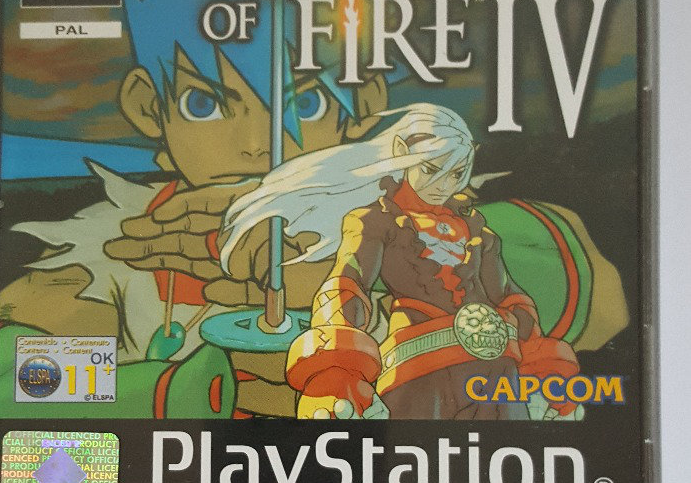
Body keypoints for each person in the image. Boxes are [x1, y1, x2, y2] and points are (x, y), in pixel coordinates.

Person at [221, 103, 581, 419]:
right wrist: (336, 377)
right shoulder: (377, 221)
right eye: (430, 169)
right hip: (421, 372)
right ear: (400, 152)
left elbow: (511, 299)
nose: (443, 185)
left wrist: (546, 377)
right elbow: (347, 287)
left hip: (497, 373)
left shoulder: (477, 231)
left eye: (456, 174)